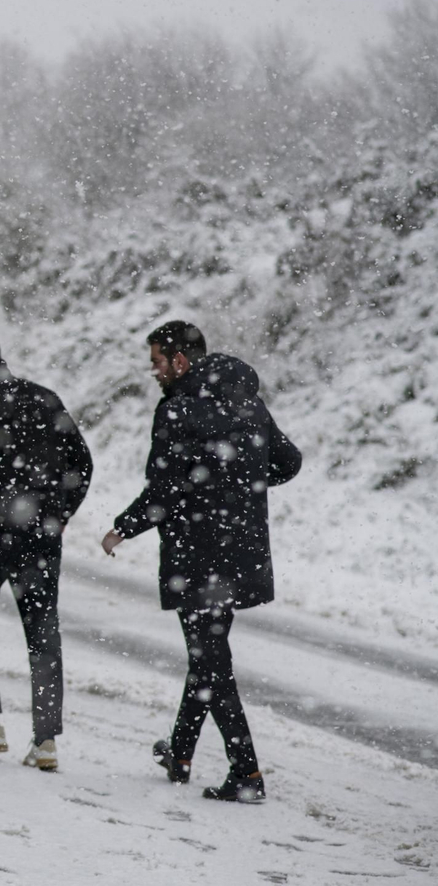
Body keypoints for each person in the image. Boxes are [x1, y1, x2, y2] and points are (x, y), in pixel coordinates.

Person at [102, 321, 300, 803]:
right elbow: (289, 462)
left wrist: (123, 527)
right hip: (242, 549)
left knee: (212, 663)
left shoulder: (178, 410)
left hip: (197, 552)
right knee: (207, 656)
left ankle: (246, 773)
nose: (153, 371)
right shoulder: (247, 401)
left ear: (180, 361)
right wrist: (239, 484)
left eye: (157, 362)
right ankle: (181, 753)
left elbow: (165, 488)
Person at [0, 327, 92, 772]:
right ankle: (45, 741)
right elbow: (83, 463)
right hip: (40, 537)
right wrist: (59, 513)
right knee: (42, 632)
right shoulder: (44, 397)